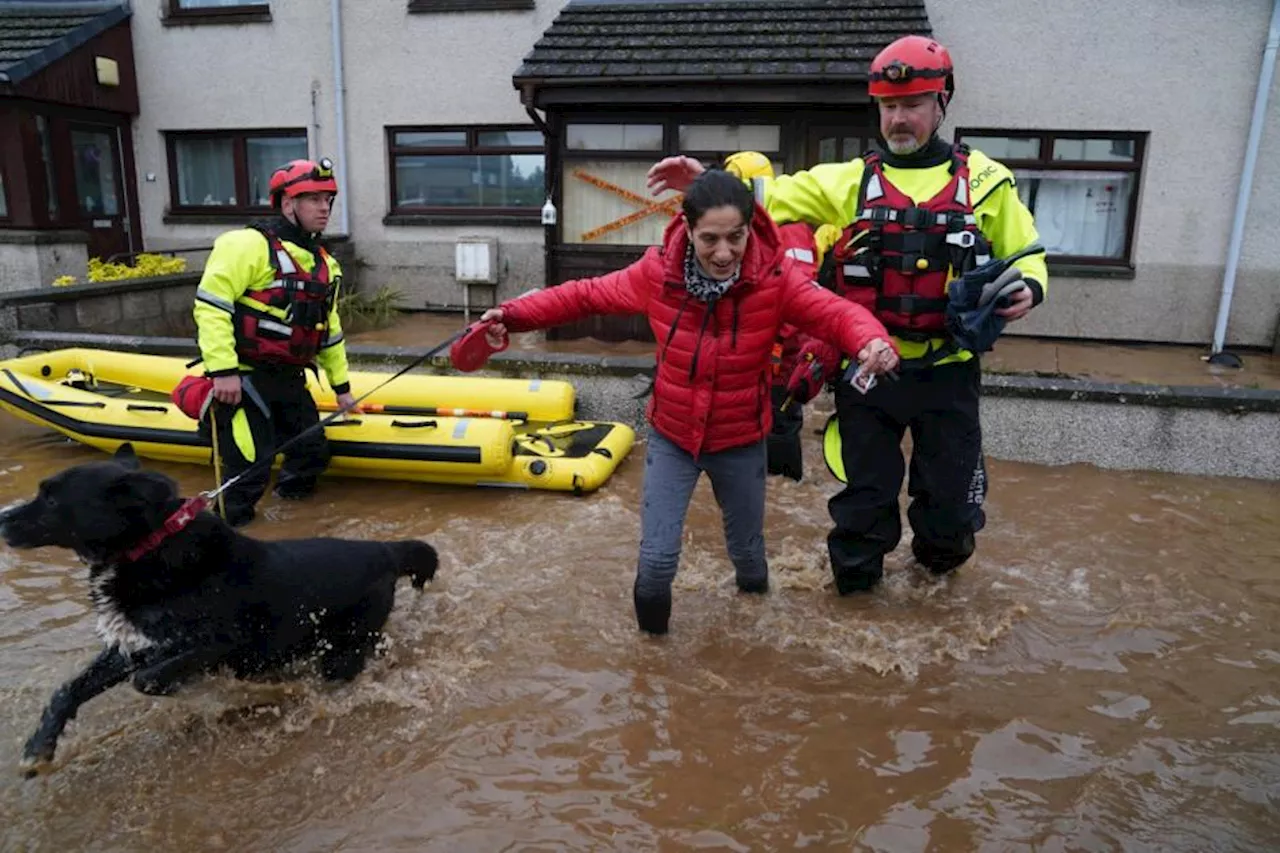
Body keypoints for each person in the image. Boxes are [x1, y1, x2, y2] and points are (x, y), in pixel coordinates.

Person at [647, 35, 1049, 594]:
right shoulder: (847, 181)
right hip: (870, 372)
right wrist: (706, 182)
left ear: (942, 104)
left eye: (912, 105)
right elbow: (767, 197)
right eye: (889, 107)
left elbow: (1026, 254)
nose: (899, 119)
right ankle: (856, 597)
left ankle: (936, 593)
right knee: (865, 499)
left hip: (949, 370)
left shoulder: (986, 182)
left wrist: (1030, 287)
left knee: (950, 507)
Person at [469, 170, 899, 635]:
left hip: (740, 441)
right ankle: (653, 668)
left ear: (750, 228)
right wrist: (511, 316)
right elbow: (582, 295)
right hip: (673, 439)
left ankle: (751, 643)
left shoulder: (776, 281)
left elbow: (837, 313)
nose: (724, 252)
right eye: (709, 238)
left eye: (735, 237)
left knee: (749, 557)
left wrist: (871, 340)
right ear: (688, 230)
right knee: (655, 565)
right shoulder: (657, 276)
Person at [192, 157, 357, 527]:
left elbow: (328, 329)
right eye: (313, 199)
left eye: (328, 199)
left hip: (289, 380)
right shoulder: (246, 246)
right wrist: (223, 372)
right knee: (249, 472)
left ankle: (292, 530)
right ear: (287, 204)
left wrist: (342, 387)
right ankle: (229, 547)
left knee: (312, 456)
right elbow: (211, 308)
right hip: (243, 382)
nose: (324, 208)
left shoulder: (325, 264)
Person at [723, 150, 843, 482]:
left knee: (781, 424)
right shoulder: (756, 227)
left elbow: (798, 295)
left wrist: (776, 343)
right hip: (759, 351)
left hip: (781, 354)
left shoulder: (787, 228)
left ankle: (784, 493)